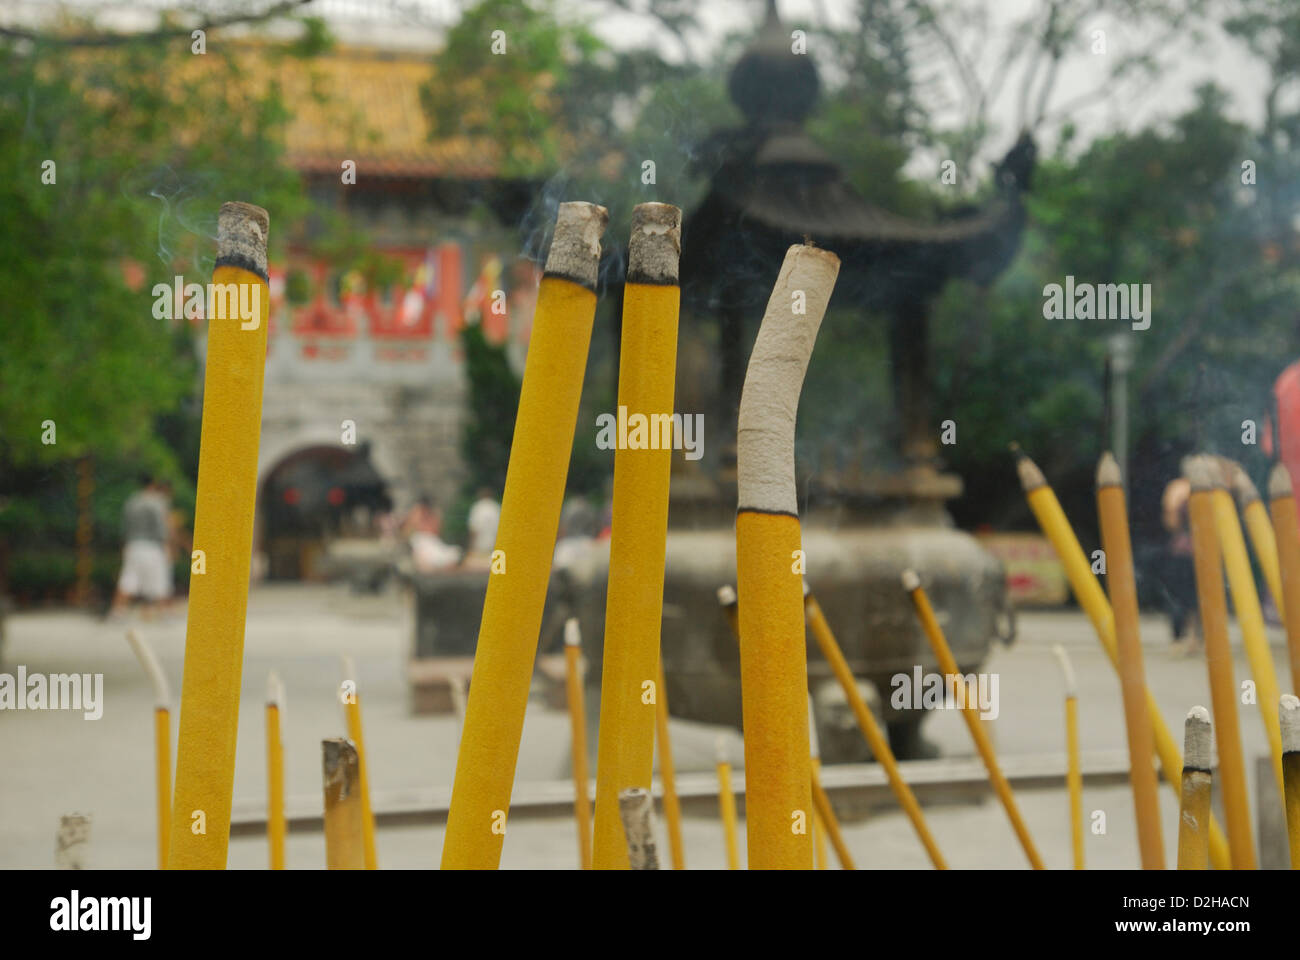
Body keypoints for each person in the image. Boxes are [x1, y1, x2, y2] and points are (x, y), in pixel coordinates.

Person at [109, 475, 173, 618]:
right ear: (153, 485)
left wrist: (124, 544)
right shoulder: (157, 502)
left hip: (133, 544)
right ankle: (164, 612)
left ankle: (117, 611)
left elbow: (125, 526)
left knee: (128, 579)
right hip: (152, 546)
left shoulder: (131, 502)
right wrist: (167, 546)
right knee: (159, 579)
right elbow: (161, 526)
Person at [1161, 469, 1200, 655]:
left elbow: (1171, 522)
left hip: (1182, 548)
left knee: (1179, 597)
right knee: (1200, 597)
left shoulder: (1177, 489)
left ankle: (1179, 638)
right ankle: (1196, 638)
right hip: (1203, 549)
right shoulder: (1211, 490)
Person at [402, 495, 461, 572]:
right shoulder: (416, 514)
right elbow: (408, 530)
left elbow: (436, 529)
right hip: (421, 539)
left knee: (454, 552)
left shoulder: (432, 514)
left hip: (431, 539)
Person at [464, 487, 501, 565]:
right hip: (495, 549)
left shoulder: (478, 507)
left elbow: (474, 530)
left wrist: (470, 548)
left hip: (479, 549)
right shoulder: (496, 507)